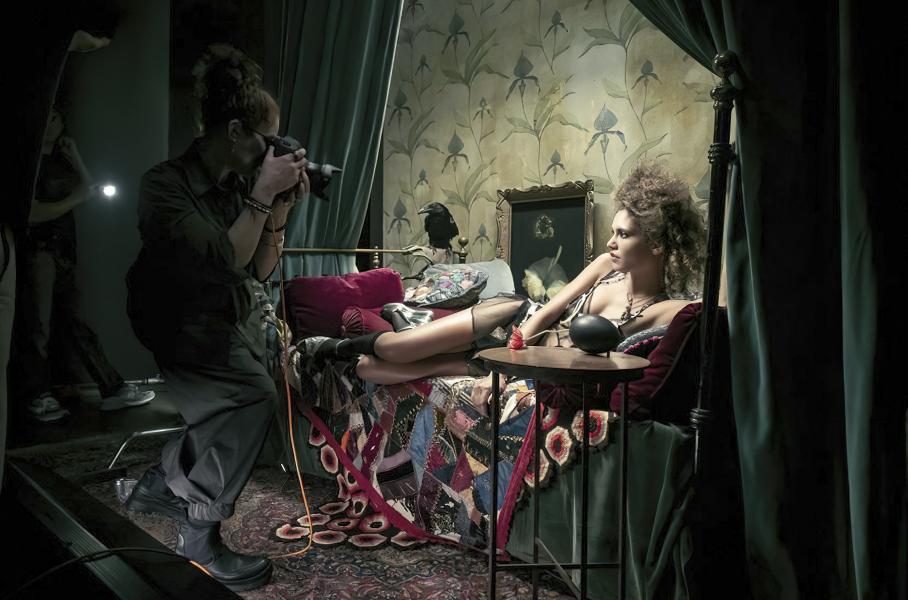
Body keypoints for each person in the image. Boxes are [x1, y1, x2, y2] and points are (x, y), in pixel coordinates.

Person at [123, 44, 308, 592]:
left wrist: (278, 208)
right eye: (266, 140)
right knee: (251, 398)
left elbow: (259, 267)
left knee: (225, 411)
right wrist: (263, 193)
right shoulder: (164, 186)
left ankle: (162, 482)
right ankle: (198, 537)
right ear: (233, 131)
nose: (271, 152)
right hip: (174, 321)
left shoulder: (237, 188)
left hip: (224, 316)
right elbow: (221, 262)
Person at [305, 163, 706, 405]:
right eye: (613, 231)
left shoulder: (664, 310)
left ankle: (340, 354)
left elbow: (711, 309)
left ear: (657, 243)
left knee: (372, 369)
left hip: (528, 360)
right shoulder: (605, 265)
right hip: (513, 321)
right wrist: (502, 369)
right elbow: (549, 311)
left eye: (624, 234)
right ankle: (321, 346)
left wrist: (502, 371)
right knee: (397, 348)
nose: (610, 242)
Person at [12, 102, 155, 423]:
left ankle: (112, 389)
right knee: (38, 329)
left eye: (56, 117)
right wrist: (75, 198)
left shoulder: (61, 160)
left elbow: (88, 187)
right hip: (39, 252)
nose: (50, 124)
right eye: (46, 117)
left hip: (63, 253)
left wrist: (74, 154)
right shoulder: (29, 163)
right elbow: (31, 213)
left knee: (76, 324)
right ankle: (37, 397)